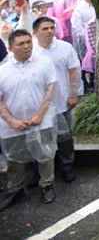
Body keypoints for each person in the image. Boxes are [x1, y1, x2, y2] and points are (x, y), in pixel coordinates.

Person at [0, 29, 58, 207]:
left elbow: (50, 90)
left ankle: (47, 185)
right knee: (14, 159)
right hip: (12, 125)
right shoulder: (3, 71)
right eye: (21, 43)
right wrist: (11, 121)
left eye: (28, 42)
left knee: (46, 155)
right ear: (10, 47)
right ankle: (16, 189)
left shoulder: (44, 63)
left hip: (42, 121)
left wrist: (40, 115)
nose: (26, 46)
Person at [32, 16, 81, 183]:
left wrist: (74, 93)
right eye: (45, 29)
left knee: (65, 137)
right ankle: (48, 171)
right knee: (46, 138)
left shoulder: (65, 48)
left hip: (63, 100)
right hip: (40, 106)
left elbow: (74, 71)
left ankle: (67, 166)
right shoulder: (30, 51)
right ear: (35, 32)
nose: (49, 31)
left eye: (52, 28)